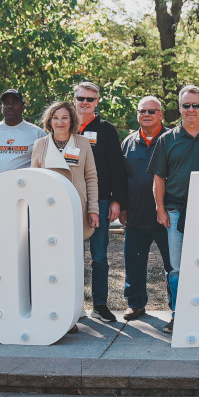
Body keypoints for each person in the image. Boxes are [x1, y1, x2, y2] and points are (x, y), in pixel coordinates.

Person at [147, 85, 199, 335]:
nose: (191, 110)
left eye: (196, 105)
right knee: (177, 267)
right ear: (180, 108)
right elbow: (158, 179)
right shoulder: (167, 139)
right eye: (186, 105)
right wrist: (160, 210)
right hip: (175, 211)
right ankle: (179, 314)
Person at [73, 81, 127, 323]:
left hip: (101, 200)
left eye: (90, 99)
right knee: (68, 255)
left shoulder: (106, 129)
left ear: (97, 102)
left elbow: (117, 167)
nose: (85, 103)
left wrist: (118, 201)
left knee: (99, 256)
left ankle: (100, 304)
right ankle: (71, 306)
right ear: (74, 99)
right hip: (69, 201)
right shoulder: (62, 125)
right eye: (81, 98)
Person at [119, 96, 173, 321]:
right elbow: (121, 178)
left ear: (161, 114)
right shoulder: (128, 142)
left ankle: (177, 306)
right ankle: (135, 303)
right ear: (137, 115)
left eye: (152, 111)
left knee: (173, 264)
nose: (147, 115)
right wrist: (122, 207)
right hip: (136, 214)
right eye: (143, 111)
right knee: (134, 262)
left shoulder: (172, 139)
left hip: (168, 215)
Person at [32, 101, 99, 241]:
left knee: (74, 248)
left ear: (72, 120)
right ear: (50, 121)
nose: (60, 122)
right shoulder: (40, 144)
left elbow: (91, 177)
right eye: (55, 118)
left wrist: (93, 209)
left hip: (76, 204)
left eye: (65, 117)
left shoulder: (83, 143)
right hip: (49, 205)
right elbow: (35, 180)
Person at [0, 89, 46, 196]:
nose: (10, 106)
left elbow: (45, 169)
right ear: (2, 107)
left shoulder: (37, 134)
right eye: (6, 103)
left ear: (23, 107)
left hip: (24, 194)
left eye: (15, 103)